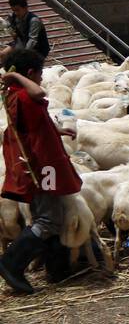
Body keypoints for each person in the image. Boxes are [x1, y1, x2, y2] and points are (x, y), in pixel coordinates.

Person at [1, 49, 82, 294]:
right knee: (48, 218)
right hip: (43, 166)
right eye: (39, 73)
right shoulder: (23, 94)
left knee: (50, 214)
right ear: (29, 73)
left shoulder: (15, 94)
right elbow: (39, 93)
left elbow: (32, 126)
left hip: (39, 161)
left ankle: (57, 269)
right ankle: (11, 263)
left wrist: (57, 130)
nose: (42, 79)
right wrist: (18, 78)